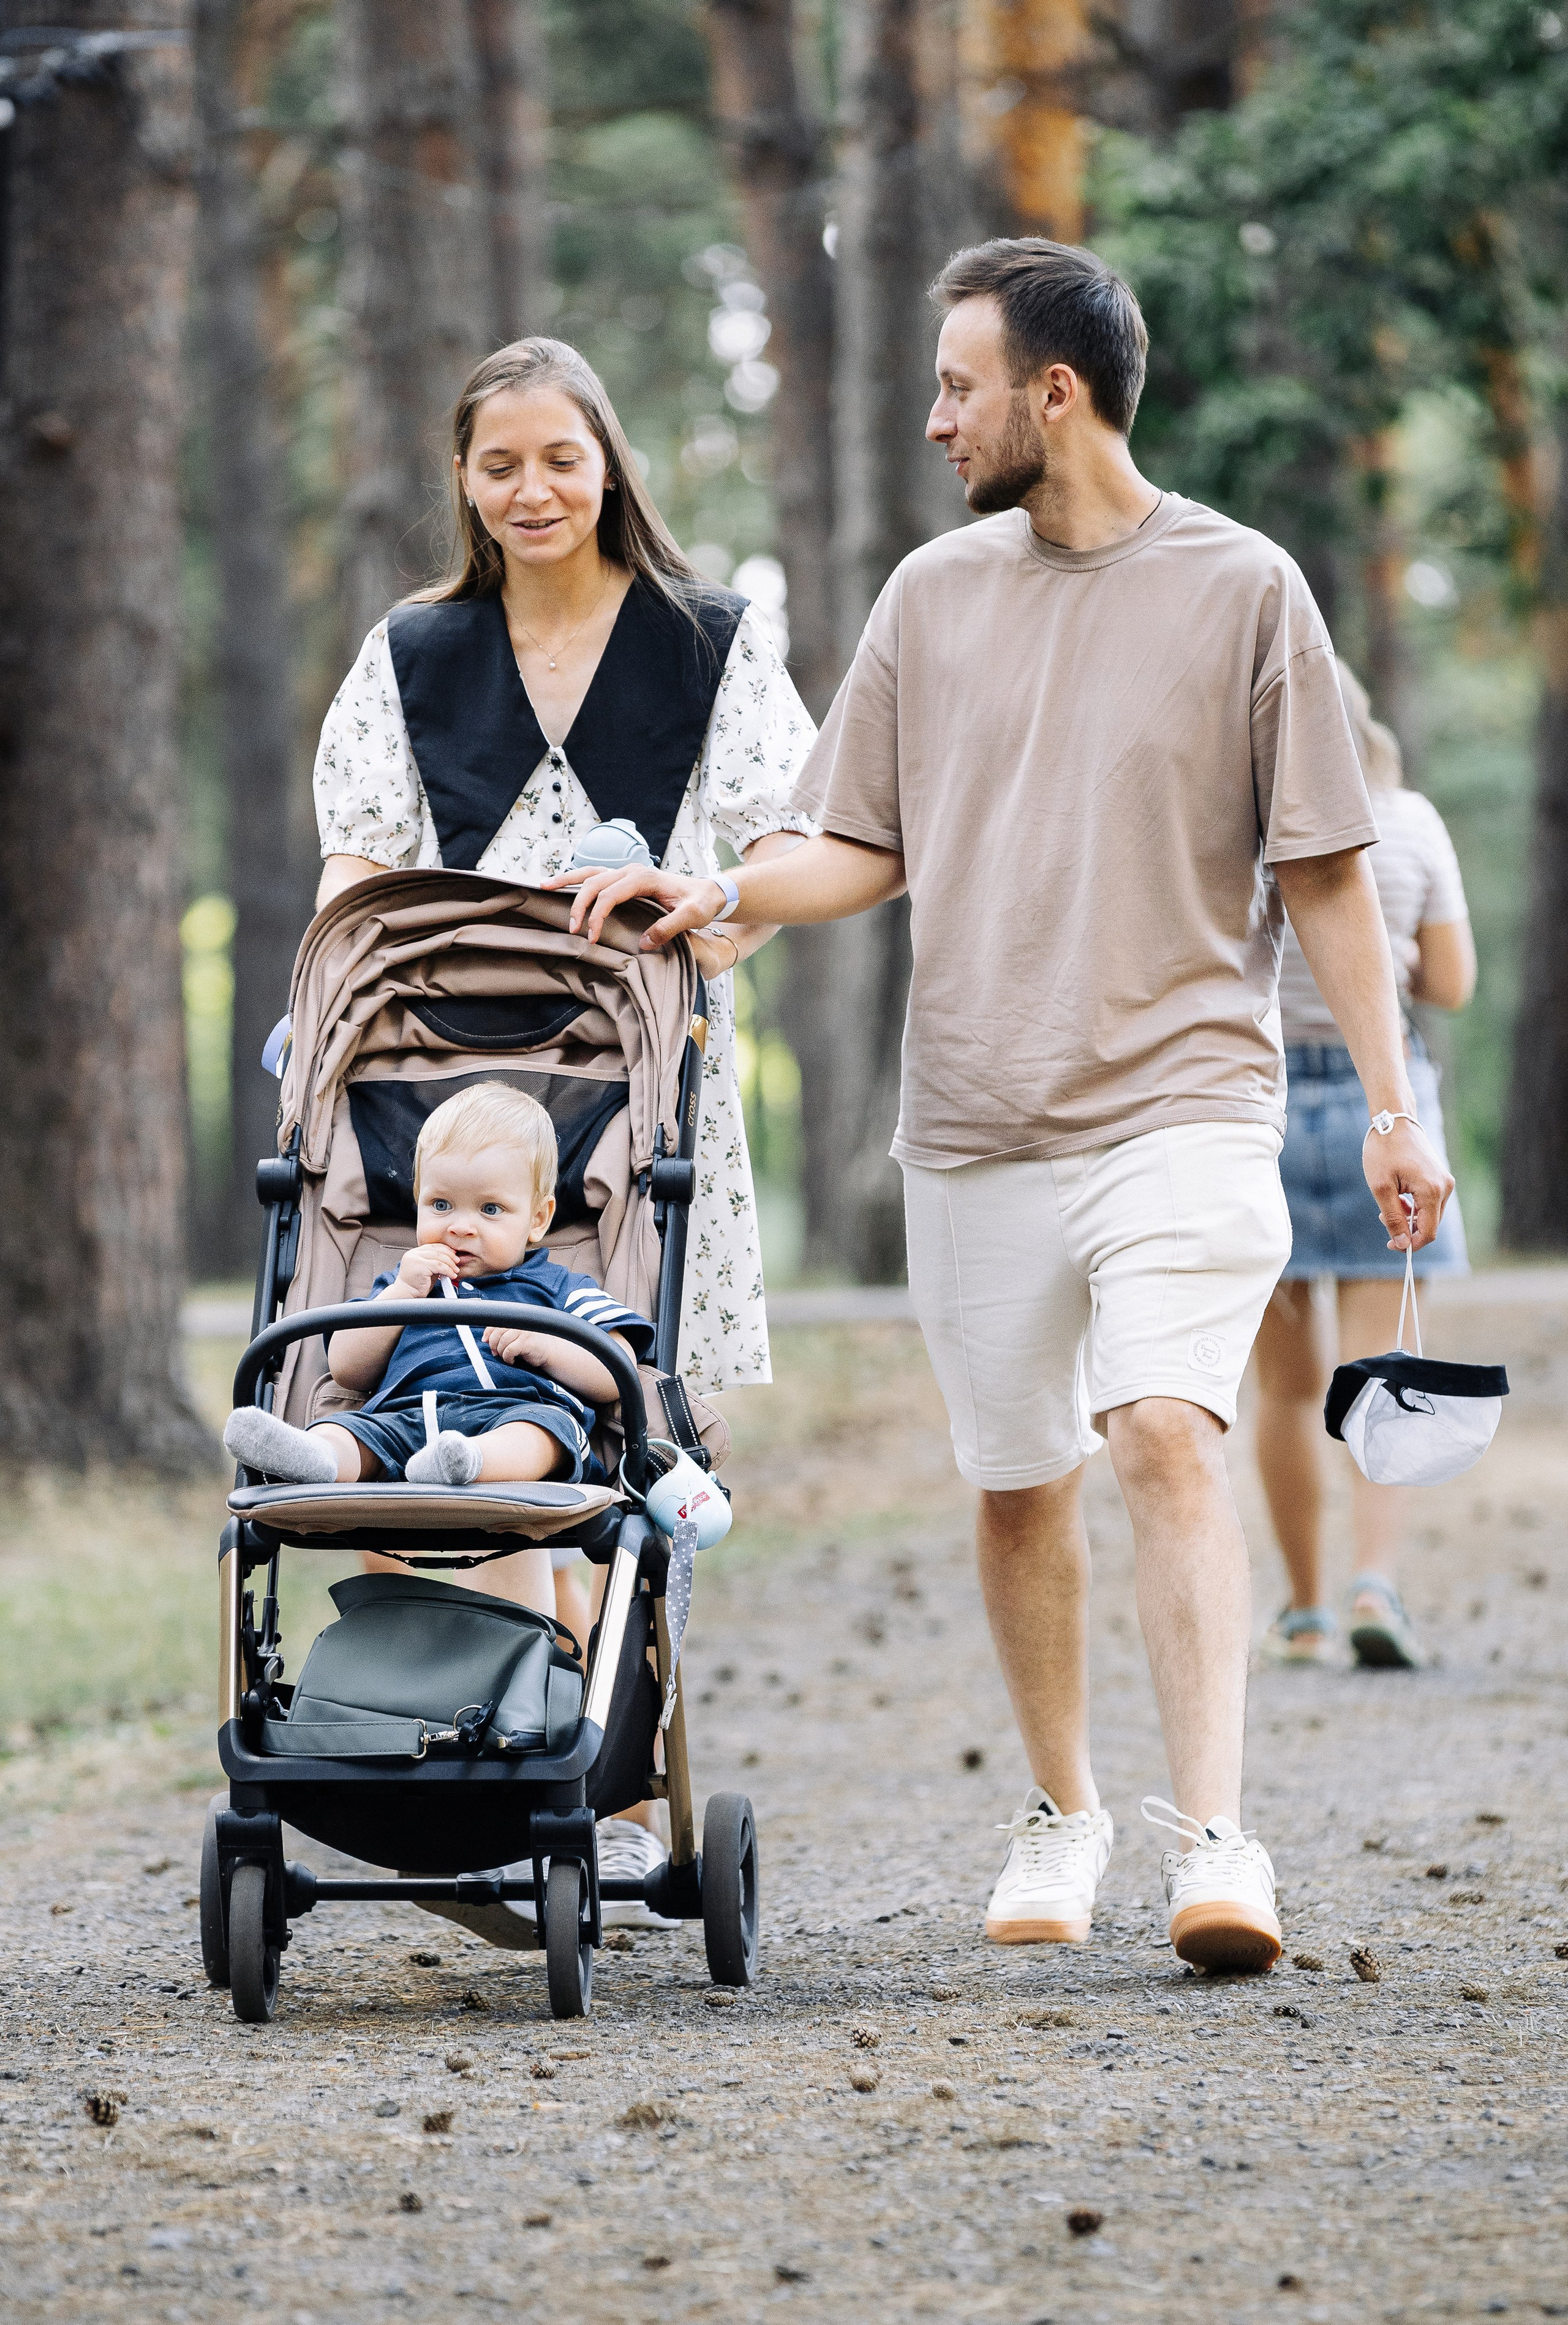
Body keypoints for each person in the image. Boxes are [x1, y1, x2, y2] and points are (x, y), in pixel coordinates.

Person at [554, 238, 1454, 1977]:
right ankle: (1064, 1811)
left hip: (1187, 1099)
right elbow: (858, 842)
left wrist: (1398, 1111)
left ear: (1058, 392)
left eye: (959, 384)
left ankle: (1219, 1842)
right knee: (1020, 1480)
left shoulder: (1249, 588)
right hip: (974, 1118)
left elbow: (1330, 879)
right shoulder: (932, 597)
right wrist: (717, 896)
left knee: (1164, 1434)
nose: (933, 417)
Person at [309, 335, 816, 1920]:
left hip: (643, 1090)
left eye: (560, 458)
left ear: (609, 462)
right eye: (499, 464)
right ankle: (430, 1754)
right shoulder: (411, 652)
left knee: (624, 1428)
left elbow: (800, 841)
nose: (533, 490)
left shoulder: (709, 641)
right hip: (440, 1109)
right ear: (463, 481)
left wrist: (715, 902)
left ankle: (597, 1782)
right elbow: (354, 868)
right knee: (429, 1412)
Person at [1252, 667, 1476, 1671]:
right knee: (1384, 1375)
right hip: (1387, 1107)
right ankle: (1374, 1587)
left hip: (1263, 1110)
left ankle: (1302, 1611)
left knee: (1289, 1392)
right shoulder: (1410, 822)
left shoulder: (1248, 828)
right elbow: (1455, 984)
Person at [224, 1086, 653, 1600]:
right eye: (441, 1204)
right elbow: (347, 1370)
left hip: (514, 1411)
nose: (461, 1227)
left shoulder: (558, 1288)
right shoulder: (401, 1285)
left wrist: (548, 1347)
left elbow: (617, 1367)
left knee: (539, 1433)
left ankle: (473, 1462)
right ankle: (316, 1457)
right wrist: (403, 1293)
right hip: (410, 1420)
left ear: (537, 1219)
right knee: (355, 1431)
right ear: (418, 1205)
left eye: (491, 1210)